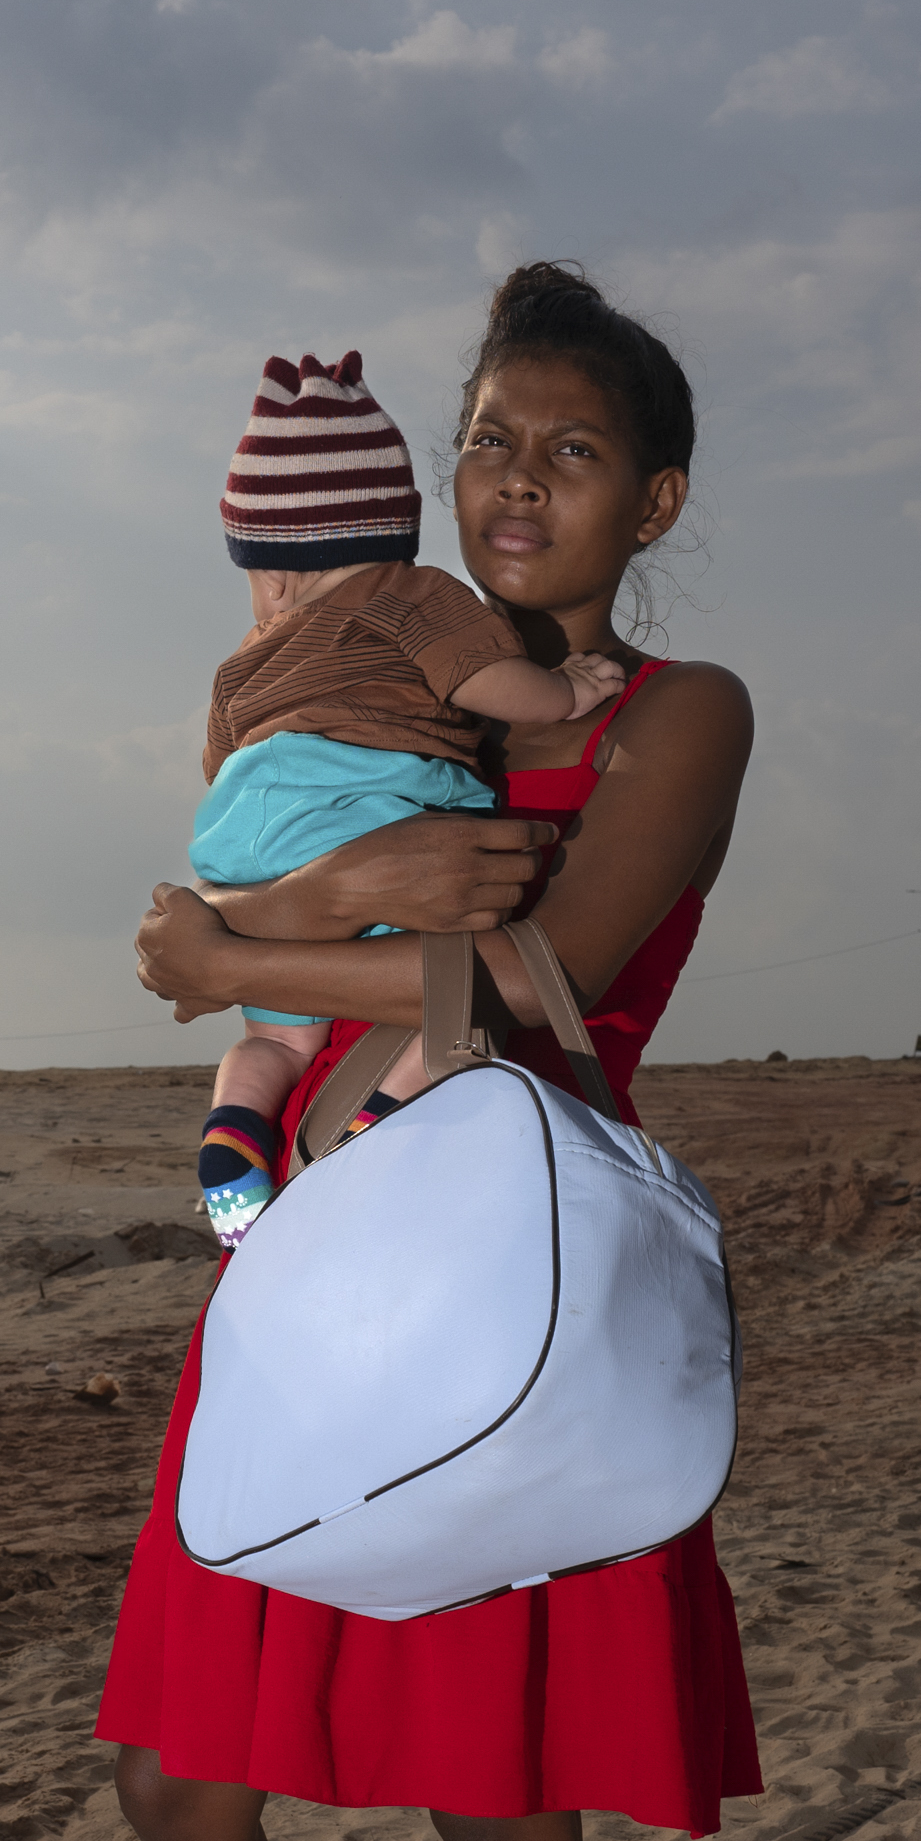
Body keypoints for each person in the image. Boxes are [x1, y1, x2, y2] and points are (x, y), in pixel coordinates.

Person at [87, 264, 758, 1841]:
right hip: (293, 1276)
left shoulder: (675, 710)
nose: (515, 481)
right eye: (486, 440)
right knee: (177, 1769)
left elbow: (531, 989)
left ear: (653, 493)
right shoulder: (385, 683)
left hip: (499, 1308)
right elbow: (319, 916)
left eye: (568, 450)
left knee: (505, 1823)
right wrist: (332, 896)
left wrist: (234, 944)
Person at [190, 350, 624, 1244]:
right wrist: (571, 690)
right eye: (490, 442)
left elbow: (222, 766)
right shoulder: (412, 598)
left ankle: (235, 1127)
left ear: (268, 574)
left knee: (273, 1042)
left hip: (249, 834)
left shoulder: (245, 659)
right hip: (373, 812)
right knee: (451, 1010)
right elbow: (494, 682)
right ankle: (375, 1124)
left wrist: (248, 910)